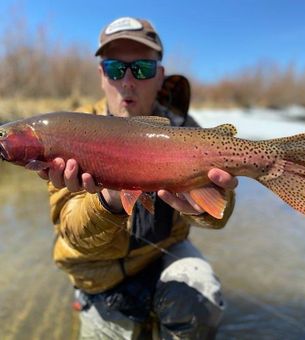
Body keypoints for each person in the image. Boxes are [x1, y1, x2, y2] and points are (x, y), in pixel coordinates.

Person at [39, 17, 238, 340]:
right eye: (116, 69)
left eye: (142, 69)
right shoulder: (68, 133)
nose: (127, 81)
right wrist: (110, 199)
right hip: (99, 274)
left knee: (202, 296)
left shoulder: (187, 130)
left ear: (160, 76)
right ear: (102, 75)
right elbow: (72, 234)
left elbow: (220, 217)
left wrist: (204, 205)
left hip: (163, 256)